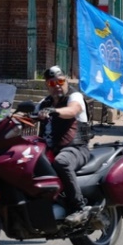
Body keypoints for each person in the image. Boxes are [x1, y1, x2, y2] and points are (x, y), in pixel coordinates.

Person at [37, 65, 93, 227]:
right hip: (49, 149)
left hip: (76, 148)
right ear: (47, 85)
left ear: (66, 81)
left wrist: (56, 111)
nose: (57, 86)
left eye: (60, 81)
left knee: (62, 162)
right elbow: (28, 114)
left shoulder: (74, 96)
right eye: (52, 83)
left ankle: (79, 207)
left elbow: (73, 110)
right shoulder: (44, 102)